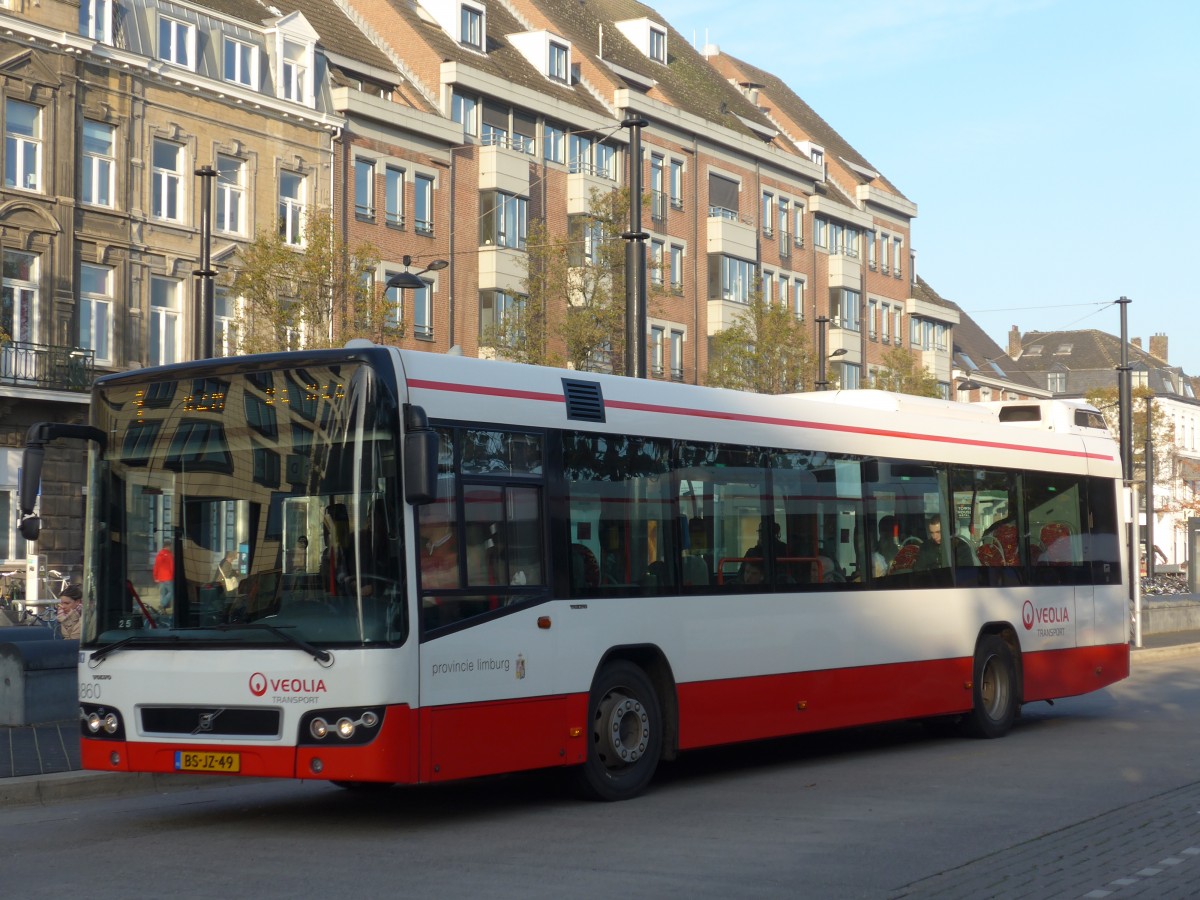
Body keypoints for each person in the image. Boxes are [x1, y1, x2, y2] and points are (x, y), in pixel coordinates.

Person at [153, 541, 174, 610]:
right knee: (172, 591)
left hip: (160, 577)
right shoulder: (169, 555)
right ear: (167, 546)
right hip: (168, 577)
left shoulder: (159, 554)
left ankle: (163, 608)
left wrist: (155, 576)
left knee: (163, 593)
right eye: (170, 546)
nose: (171, 548)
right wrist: (173, 575)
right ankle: (163, 604)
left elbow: (156, 566)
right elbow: (172, 567)